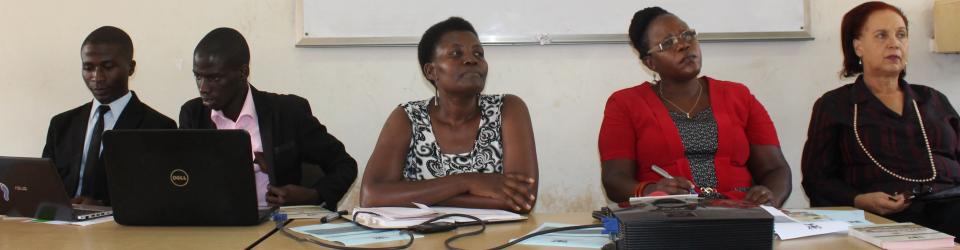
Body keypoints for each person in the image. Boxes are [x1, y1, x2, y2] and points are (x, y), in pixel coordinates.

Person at [599, 7, 791, 207]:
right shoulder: (625, 104)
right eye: (668, 43)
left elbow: (776, 169)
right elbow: (614, 180)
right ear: (650, 63)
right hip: (668, 217)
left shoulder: (739, 96)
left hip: (740, 214)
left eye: (687, 34)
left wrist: (769, 198)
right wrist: (651, 191)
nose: (684, 45)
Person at [802, 1, 960, 238]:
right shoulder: (836, 105)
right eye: (881, 35)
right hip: (881, 220)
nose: (894, 43)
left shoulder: (933, 99)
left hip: (952, 205)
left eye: (901, 35)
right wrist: (859, 200)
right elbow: (817, 179)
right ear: (858, 47)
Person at [359, 17, 539, 213]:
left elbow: (522, 199)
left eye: (479, 53)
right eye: (456, 53)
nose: (472, 59)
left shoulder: (507, 109)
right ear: (431, 71)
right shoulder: (408, 117)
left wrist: (421, 199)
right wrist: (466, 181)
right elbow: (371, 197)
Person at [178, 28, 357, 210]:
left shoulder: (287, 112)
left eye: (214, 78)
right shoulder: (193, 115)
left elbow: (345, 166)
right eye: (198, 76)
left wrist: (313, 195)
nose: (203, 88)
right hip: (214, 225)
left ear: (243, 73)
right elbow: (184, 178)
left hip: (273, 223)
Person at [42, 26, 176, 205]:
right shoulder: (61, 124)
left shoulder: (158, 127)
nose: (97, 77)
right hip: (60, 228)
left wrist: (104, 206)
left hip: (119, 228)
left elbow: (160, 195)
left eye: (108, 67)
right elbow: (45, 187)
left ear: (131, 68)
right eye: (88, 68)